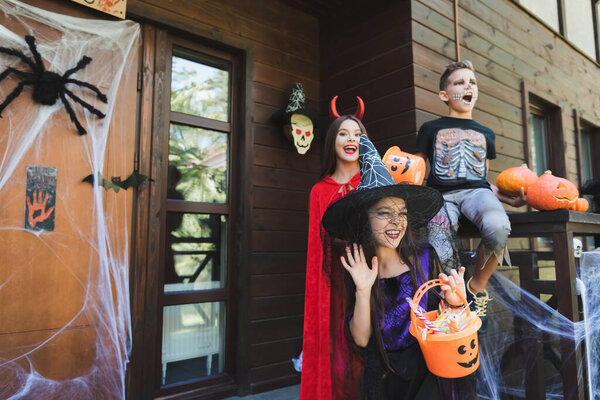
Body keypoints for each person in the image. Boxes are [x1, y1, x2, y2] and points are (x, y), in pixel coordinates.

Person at [322, 134, 473, 399]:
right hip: (387, 380)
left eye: (402, 214)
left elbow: (452, 326)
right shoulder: (357, 267)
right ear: (364, 220)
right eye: (384, 213)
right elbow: (360, 340)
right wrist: (363, 289)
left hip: (432, 376)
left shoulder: (426, 257)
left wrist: (455, 302)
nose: (396, 223)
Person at [414, 60, 526, 333]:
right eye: (459, 82)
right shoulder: (430, 128)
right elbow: (416, 166)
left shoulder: (485, 134)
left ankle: (476, 287)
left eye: (472, 82)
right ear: (444, 95)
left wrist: (506, 198)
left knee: (499, 226)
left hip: (477, 192)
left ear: (476, 92)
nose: (467, 86)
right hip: (440, 193)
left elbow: (482, 177)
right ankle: (456, 298)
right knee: (439, 231)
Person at [300, 97, 366, 400]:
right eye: (344, 133)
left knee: (367, 354)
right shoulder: (319, 190)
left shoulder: (371, 182)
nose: (351, 138)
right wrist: (319, 296)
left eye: (357, 134)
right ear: (333, 141)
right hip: (335, 284)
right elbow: (316, 249)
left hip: (368, 277)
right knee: (338, 358)